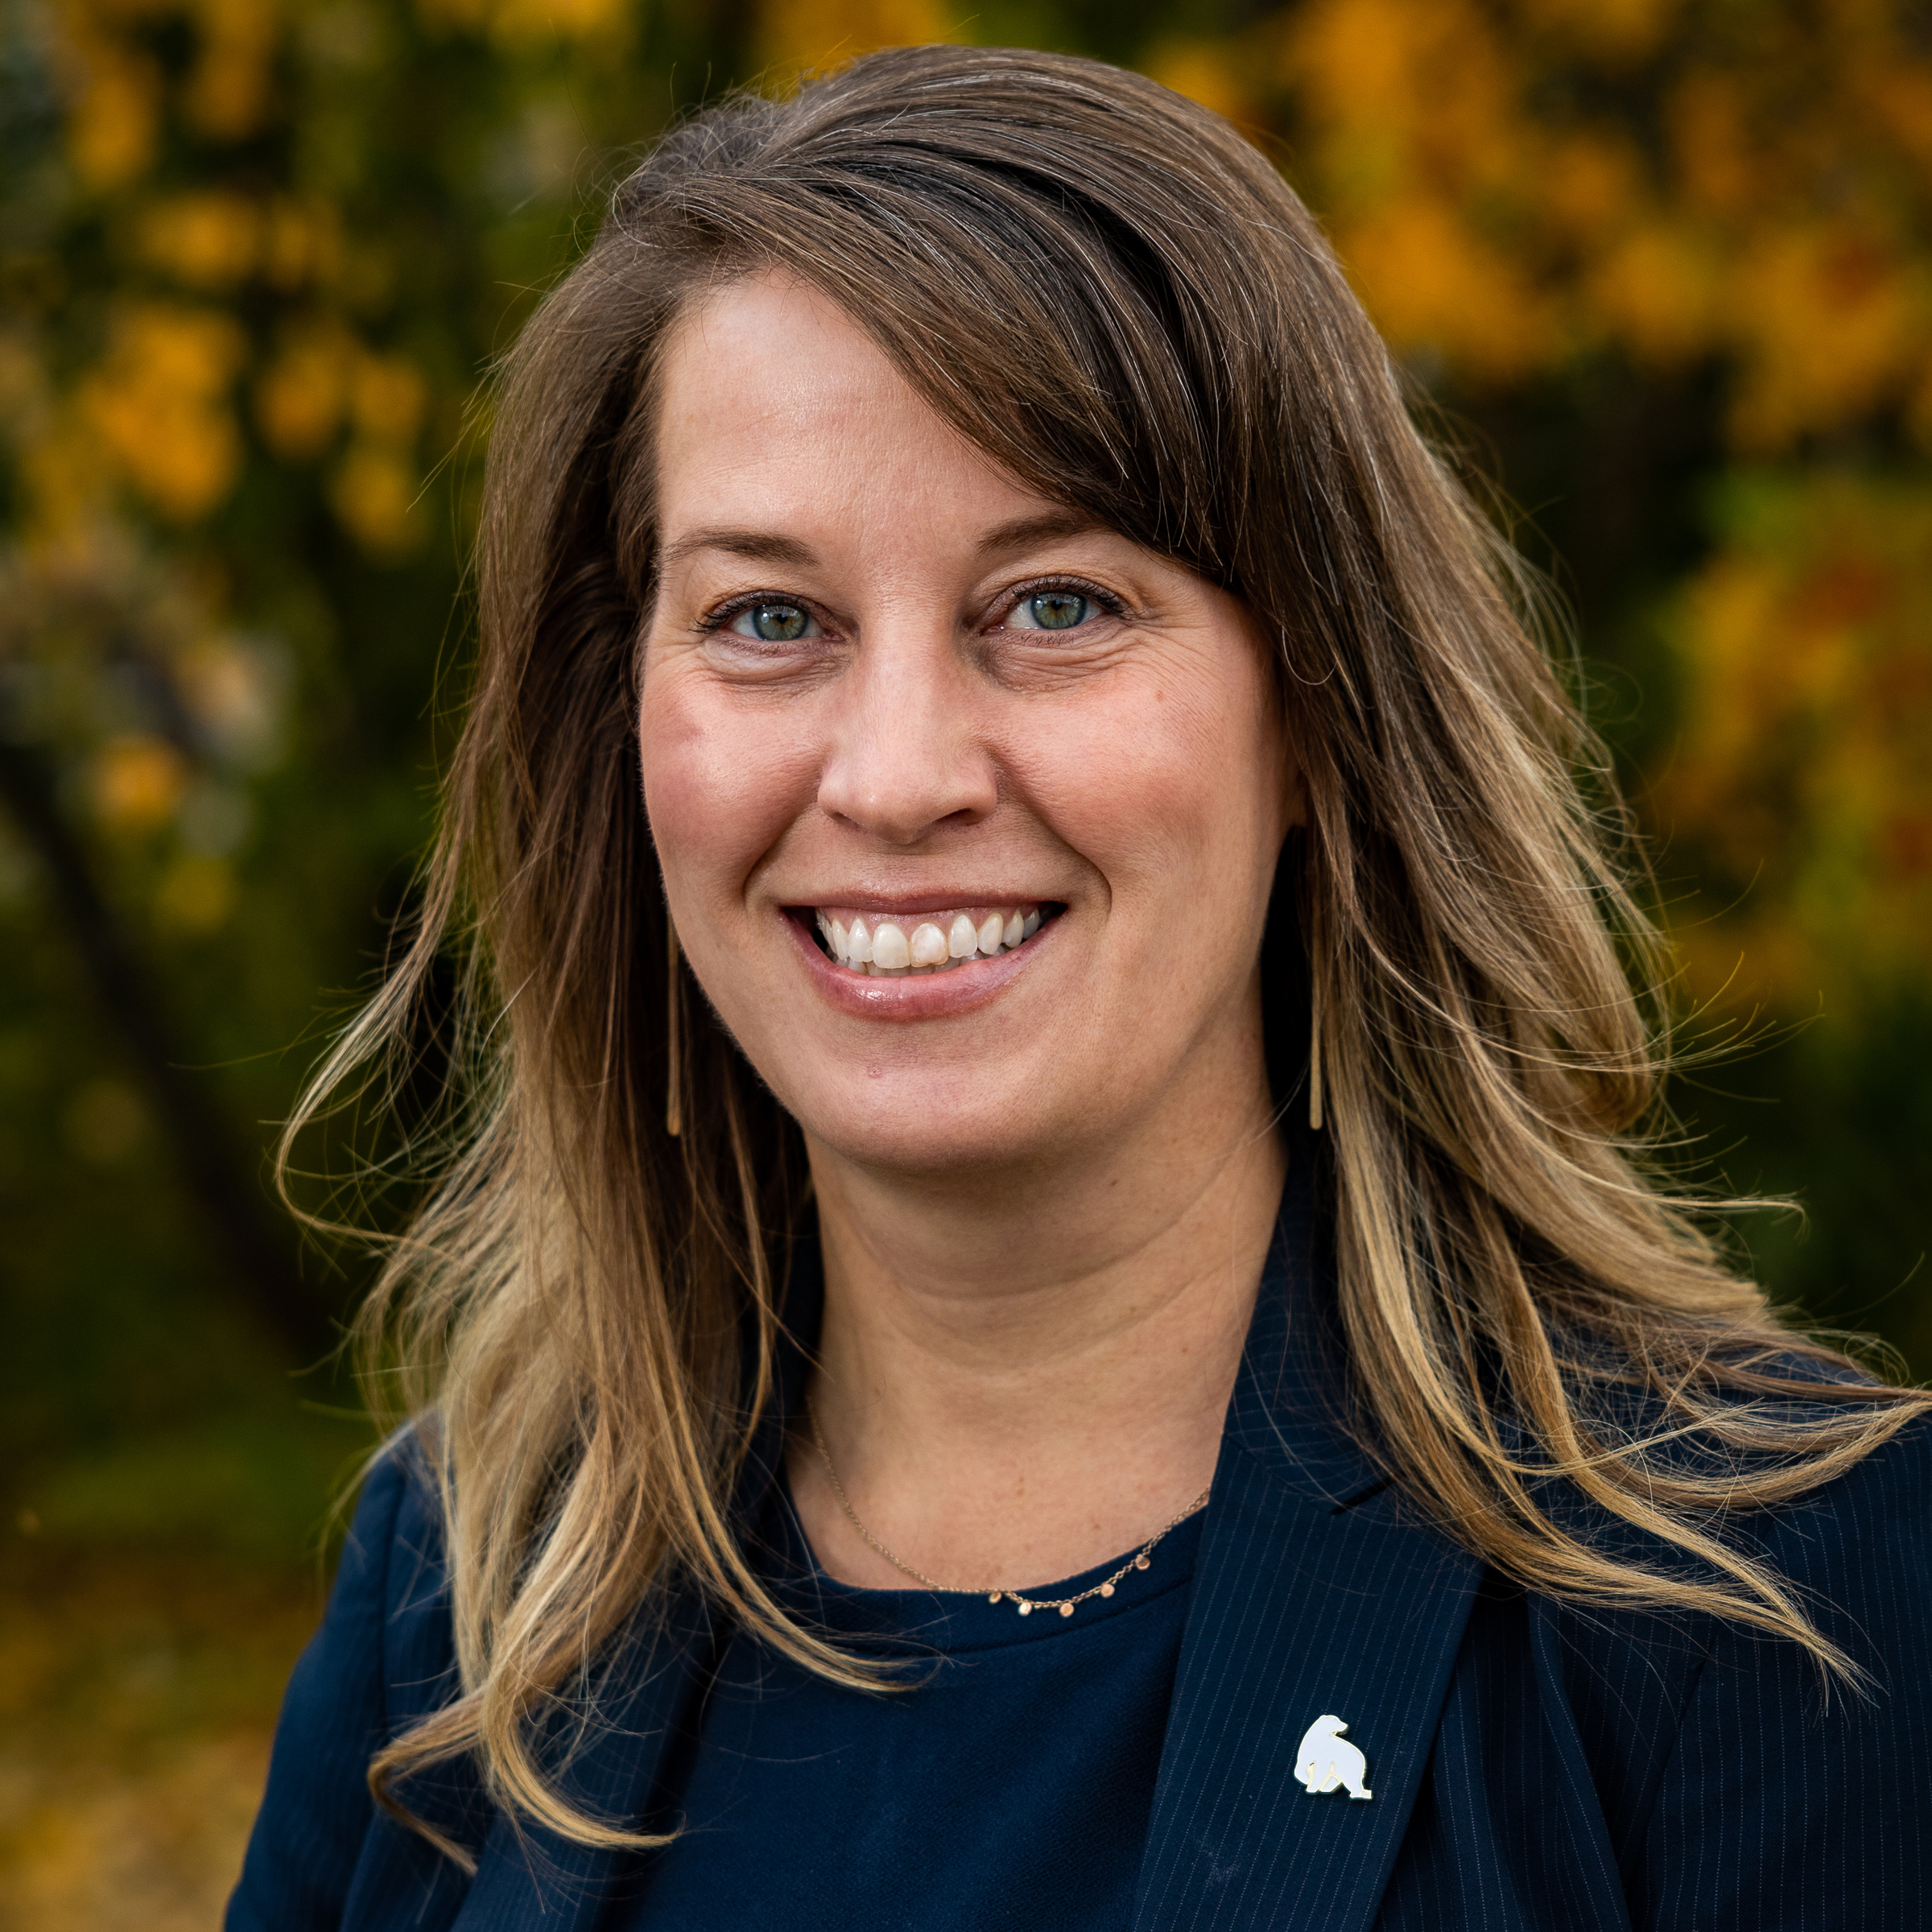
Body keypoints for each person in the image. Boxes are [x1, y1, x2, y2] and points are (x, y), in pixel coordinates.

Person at [228, 44, 1932, 1932]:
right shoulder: (456, 1601)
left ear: (1319, 712)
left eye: (1056, 605)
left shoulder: (1780, 1606)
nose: (892, 776)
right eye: (768, 620)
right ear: (617, 727)